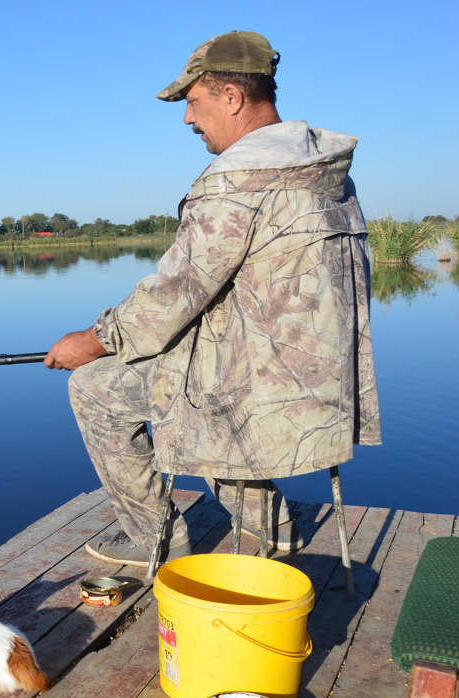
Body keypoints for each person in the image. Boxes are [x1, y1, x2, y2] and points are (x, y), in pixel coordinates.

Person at [45, 31, 381, 567]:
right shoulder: (326, 172)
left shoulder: (237, 180)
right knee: (198, 375)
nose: (187, 119)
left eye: (193, 103)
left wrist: (92, 340)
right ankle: (270, 524)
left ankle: (155, 536)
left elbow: (172, 297)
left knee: (97, 389)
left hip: (254, 391)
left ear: (231, 96)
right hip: (323, 386)